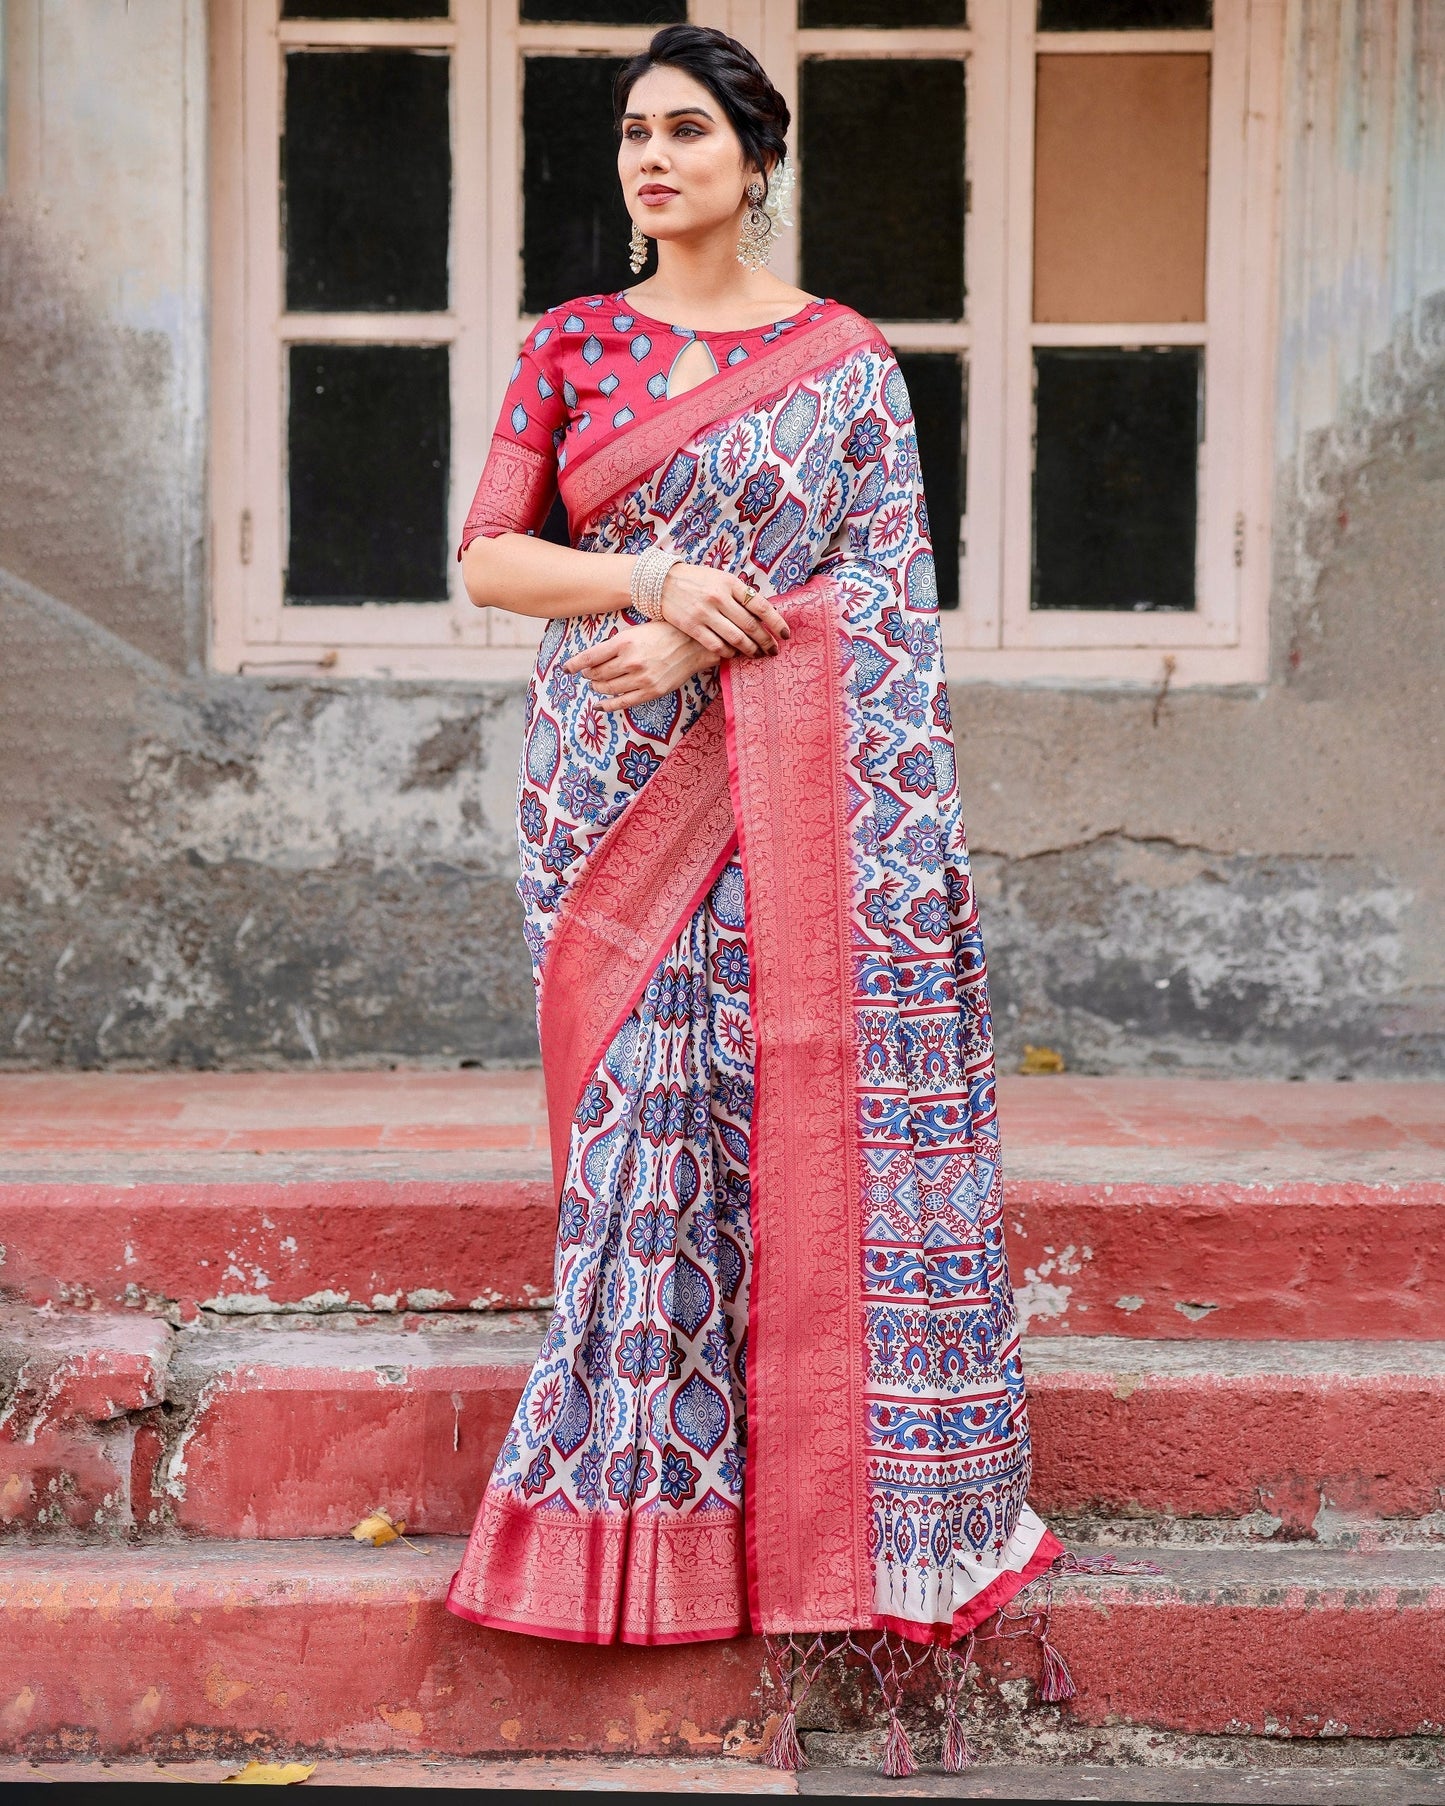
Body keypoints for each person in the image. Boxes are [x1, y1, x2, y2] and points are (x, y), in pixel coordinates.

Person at [446, 23, 1067, 1773]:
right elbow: (491, 554)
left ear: (757, 158)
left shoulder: (843, 361)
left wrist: (744, 633)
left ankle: (786, 1528)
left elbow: (889, 600)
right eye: (635, 132)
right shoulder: (570, 346)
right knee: (644, 1129)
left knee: (768, 1128)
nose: (654, 158)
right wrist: (651, 577)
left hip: (786, 799)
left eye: (690, 131)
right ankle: (624, 1535)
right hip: (611, 792)